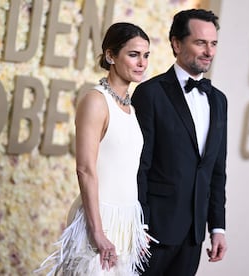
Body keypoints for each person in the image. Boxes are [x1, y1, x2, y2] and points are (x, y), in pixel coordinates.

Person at [36, 22, 153, 275]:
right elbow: (85, 169)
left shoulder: (130, 108)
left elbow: (127, 170)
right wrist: (97, 232)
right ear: (110, 56)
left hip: (125, 222)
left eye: (145, 55)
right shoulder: (95, 100)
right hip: (97, 220)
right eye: (133, 54)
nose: (142, 63)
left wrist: (135, 230)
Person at [131, 9, 228, 275]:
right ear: (176, 43)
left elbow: (216, 170)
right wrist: (139, 225)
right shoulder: (149, 93)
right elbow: (140, 167)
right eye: (200, 43)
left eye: (213, 43)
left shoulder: (219, 100)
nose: (209, 51)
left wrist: (217, 227)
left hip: (194, 236)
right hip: (153, 233)